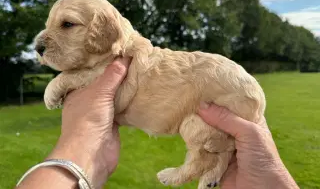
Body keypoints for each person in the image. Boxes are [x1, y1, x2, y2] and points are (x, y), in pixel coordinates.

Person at [16, 57, 299, 189]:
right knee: (213, 138)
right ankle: (214, 172)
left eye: (67, 25)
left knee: (200, 130)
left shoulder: (117, 62)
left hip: (227, 89)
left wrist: (63, 83)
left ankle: (191, 171)